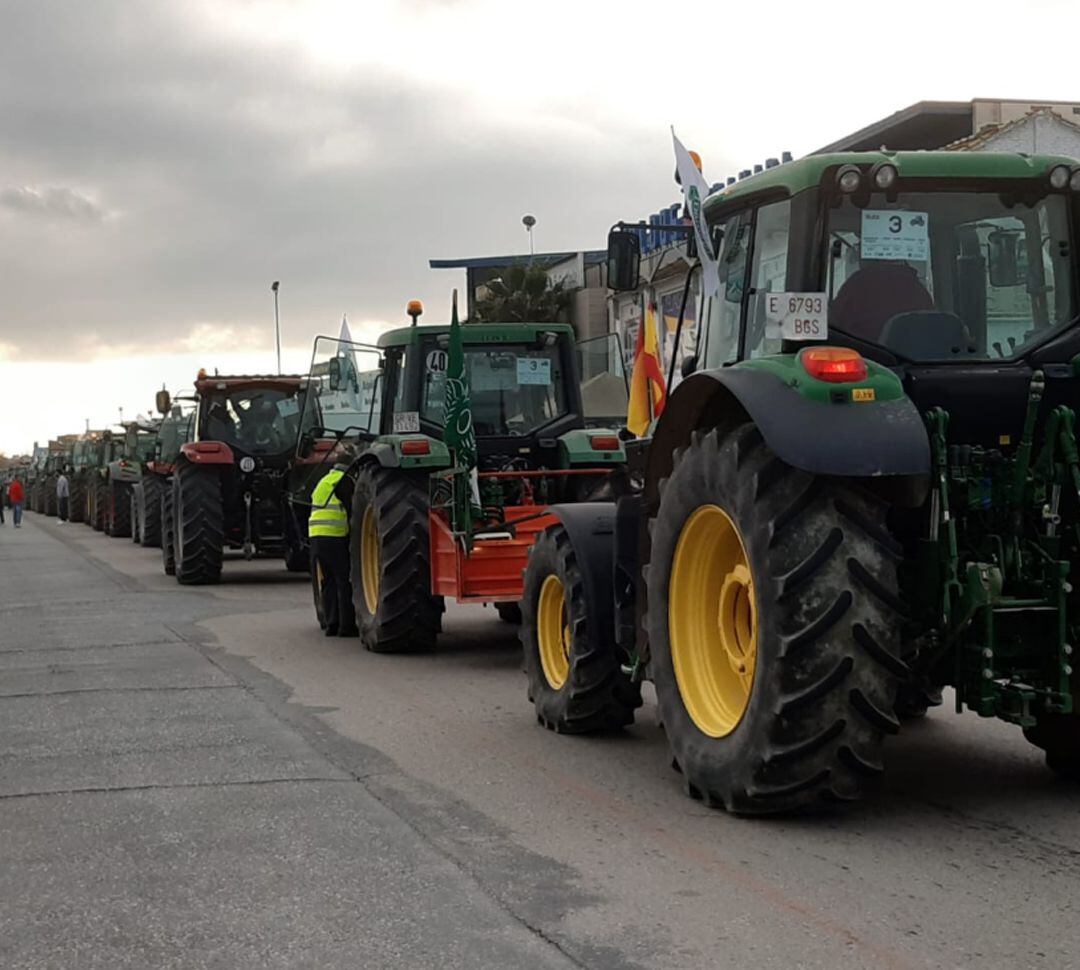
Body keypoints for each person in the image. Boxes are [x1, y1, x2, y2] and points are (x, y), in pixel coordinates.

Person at [308, 464, 358, 638]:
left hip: (316, 537)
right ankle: (347, 626)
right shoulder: (343, 481)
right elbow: (352, 511)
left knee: (328, 581)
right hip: (334, 536)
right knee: (343, 581)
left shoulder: (323, 482)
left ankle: (331, 624)